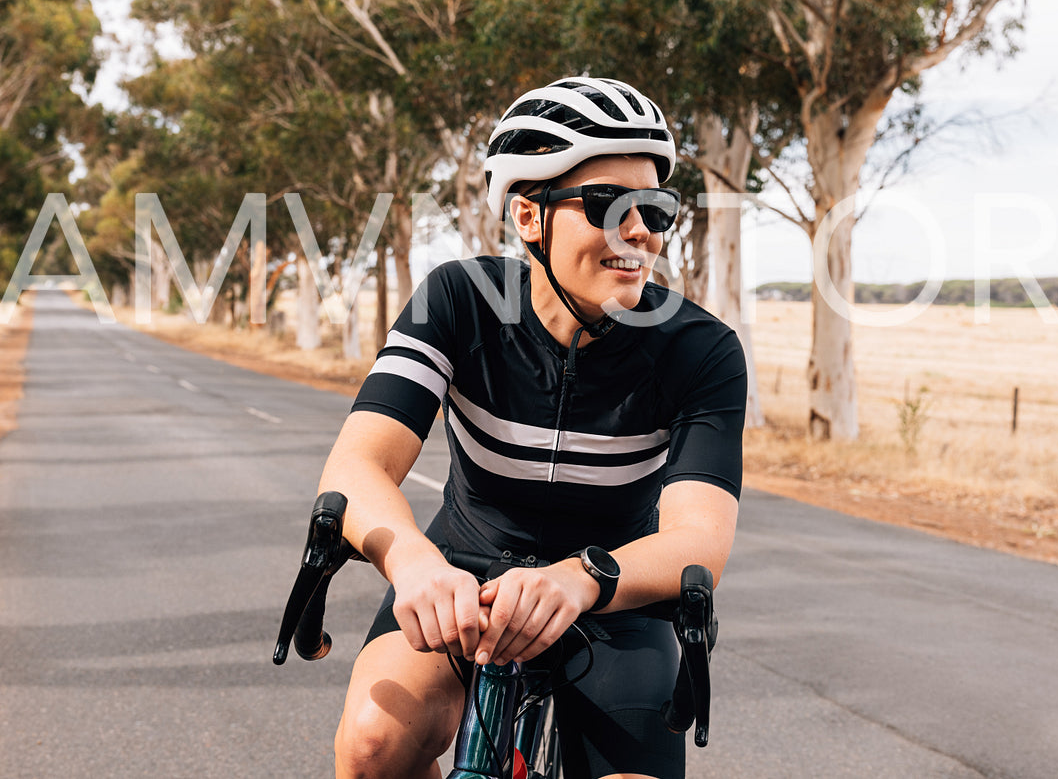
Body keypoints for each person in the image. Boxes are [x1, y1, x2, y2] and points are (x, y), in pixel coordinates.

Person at [317, 77, 747, 779]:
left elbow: (699, 542)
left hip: (609, 593)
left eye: (656, 208)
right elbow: (355, 467)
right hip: (463, 579)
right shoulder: (457, 302)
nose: (640, 230)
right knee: (372, 743)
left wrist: (582, 579)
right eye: (608, 204)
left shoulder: (699, 349)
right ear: (527, 216)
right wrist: (415, 564)